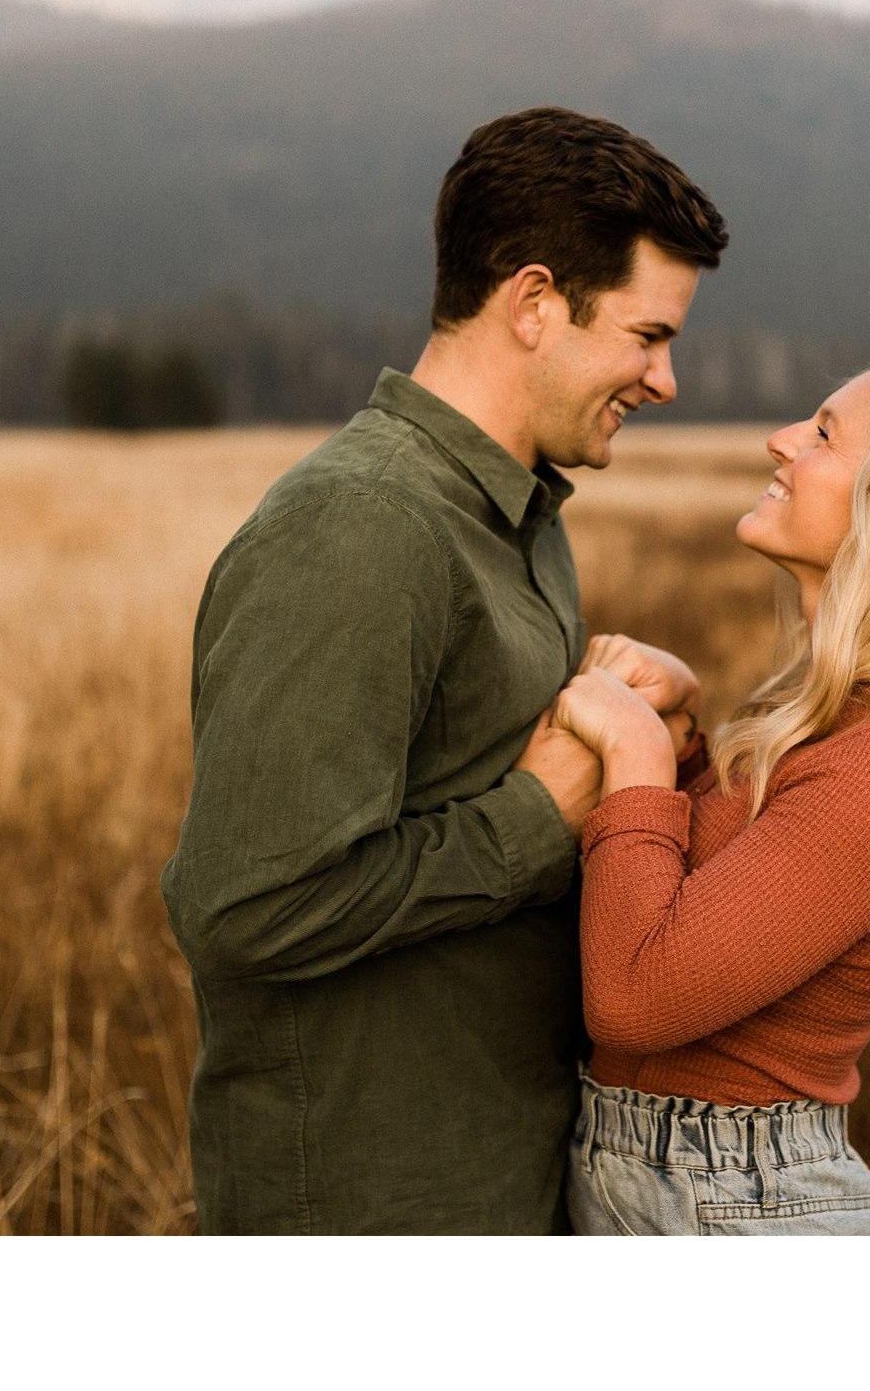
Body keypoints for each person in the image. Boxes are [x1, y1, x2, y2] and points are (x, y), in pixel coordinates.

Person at [160, 106, 726, 1233]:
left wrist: (645, 735)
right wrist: (534, 820)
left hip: (501, 1171)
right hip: (369, 1208)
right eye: (647, 334)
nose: (664, 379)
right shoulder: (362, 525)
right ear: (534, 303)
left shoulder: (520, 521)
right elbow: (243, 906)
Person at [551, 269, 870, 1234]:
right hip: (695, 1188)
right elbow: (734, 894)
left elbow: (634, 996)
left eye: (825, 434)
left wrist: (632, 756)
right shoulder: (854, 723)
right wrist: (683, 742)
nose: (781, 439)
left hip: (735, 1206)